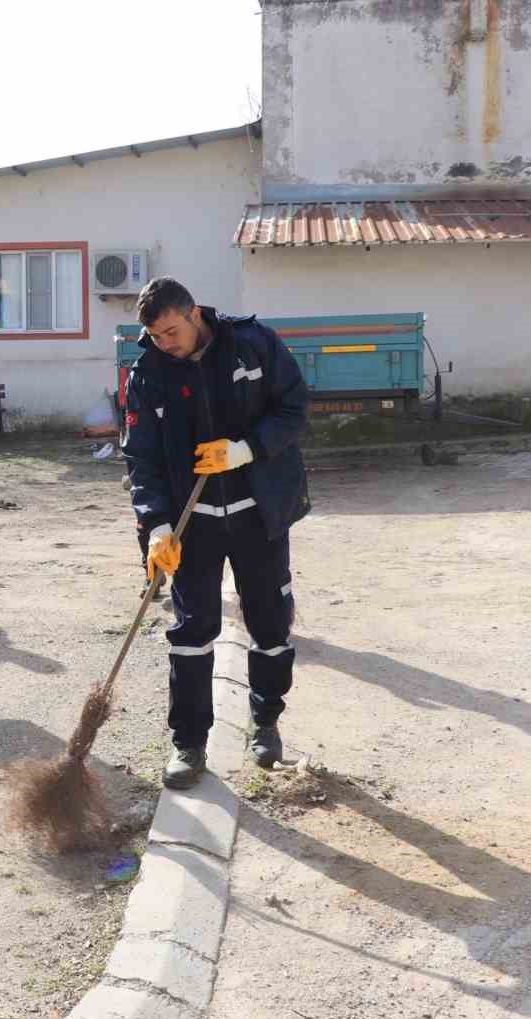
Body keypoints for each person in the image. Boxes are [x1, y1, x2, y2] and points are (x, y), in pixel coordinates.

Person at [123, 277, 310, 788]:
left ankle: (266, 721)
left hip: (259, 514)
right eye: (156, 336)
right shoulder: (148, 372)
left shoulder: (254, 345)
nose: (165, 343)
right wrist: (158, 526)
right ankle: (189, 742)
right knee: (191, 631)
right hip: (193, 525)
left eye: (171, 331)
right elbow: (141, 457)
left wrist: (244, 450)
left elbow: (294, 410)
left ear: (193, 314)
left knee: (270, 622)